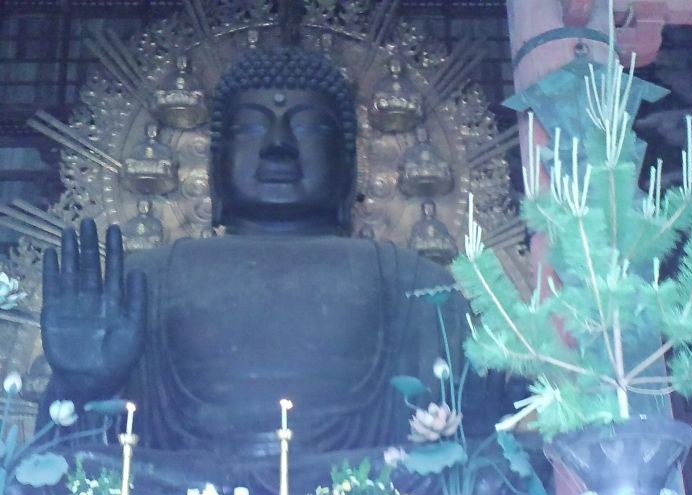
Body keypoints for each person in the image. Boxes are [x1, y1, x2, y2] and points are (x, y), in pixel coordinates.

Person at [41, 47, 471, 461]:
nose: (278, 145)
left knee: (451, 475)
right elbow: (58, 459)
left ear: (350, 163)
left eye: (308, 128)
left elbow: (480, 444)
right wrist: (81, 387)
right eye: (249, 128)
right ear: (213, 164)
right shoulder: (141, 282)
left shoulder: (420, 285)